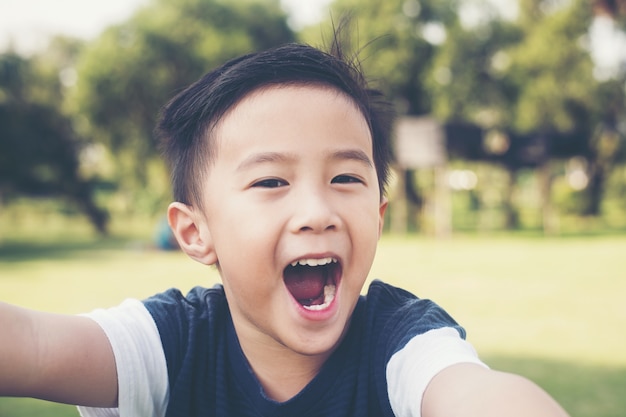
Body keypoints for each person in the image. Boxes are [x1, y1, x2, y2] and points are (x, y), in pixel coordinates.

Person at [0, 35, 570, 417]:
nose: (319, 212)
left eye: (346, 177)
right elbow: (33, 347)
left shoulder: (404, 343)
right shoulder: (170, 344)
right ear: (196, 232)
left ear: (378, 214)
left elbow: (474, 394)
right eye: (272, 182)